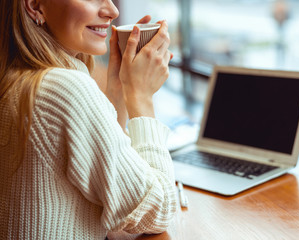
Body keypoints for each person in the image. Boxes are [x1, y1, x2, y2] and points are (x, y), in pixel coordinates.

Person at [0, 0, 177, 239]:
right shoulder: (64, 89)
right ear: (35, 5)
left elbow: (103, 174)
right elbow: (156, 213)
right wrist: (141, 97)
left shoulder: (16, 79)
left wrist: (118, 90)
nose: (112, 11)